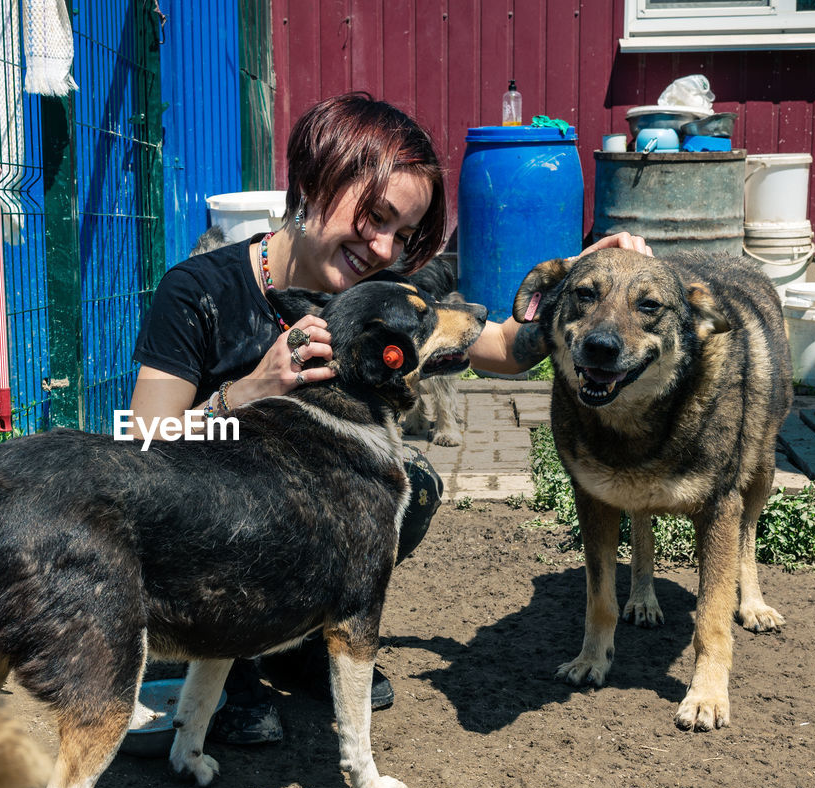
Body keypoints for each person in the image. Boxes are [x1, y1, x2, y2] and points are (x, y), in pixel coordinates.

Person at [130, 92, 650, 744]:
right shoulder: (200, 292)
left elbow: (505, 351)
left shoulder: (375, 300)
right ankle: (231, 657)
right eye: (374, 216)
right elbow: (140, 440)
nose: (382, 247)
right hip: (214, 538)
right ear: (316, 179)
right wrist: (246, 391)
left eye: (402, 234)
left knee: (411, 485)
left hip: (296, 533)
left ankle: (302, 639)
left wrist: (583, 278)